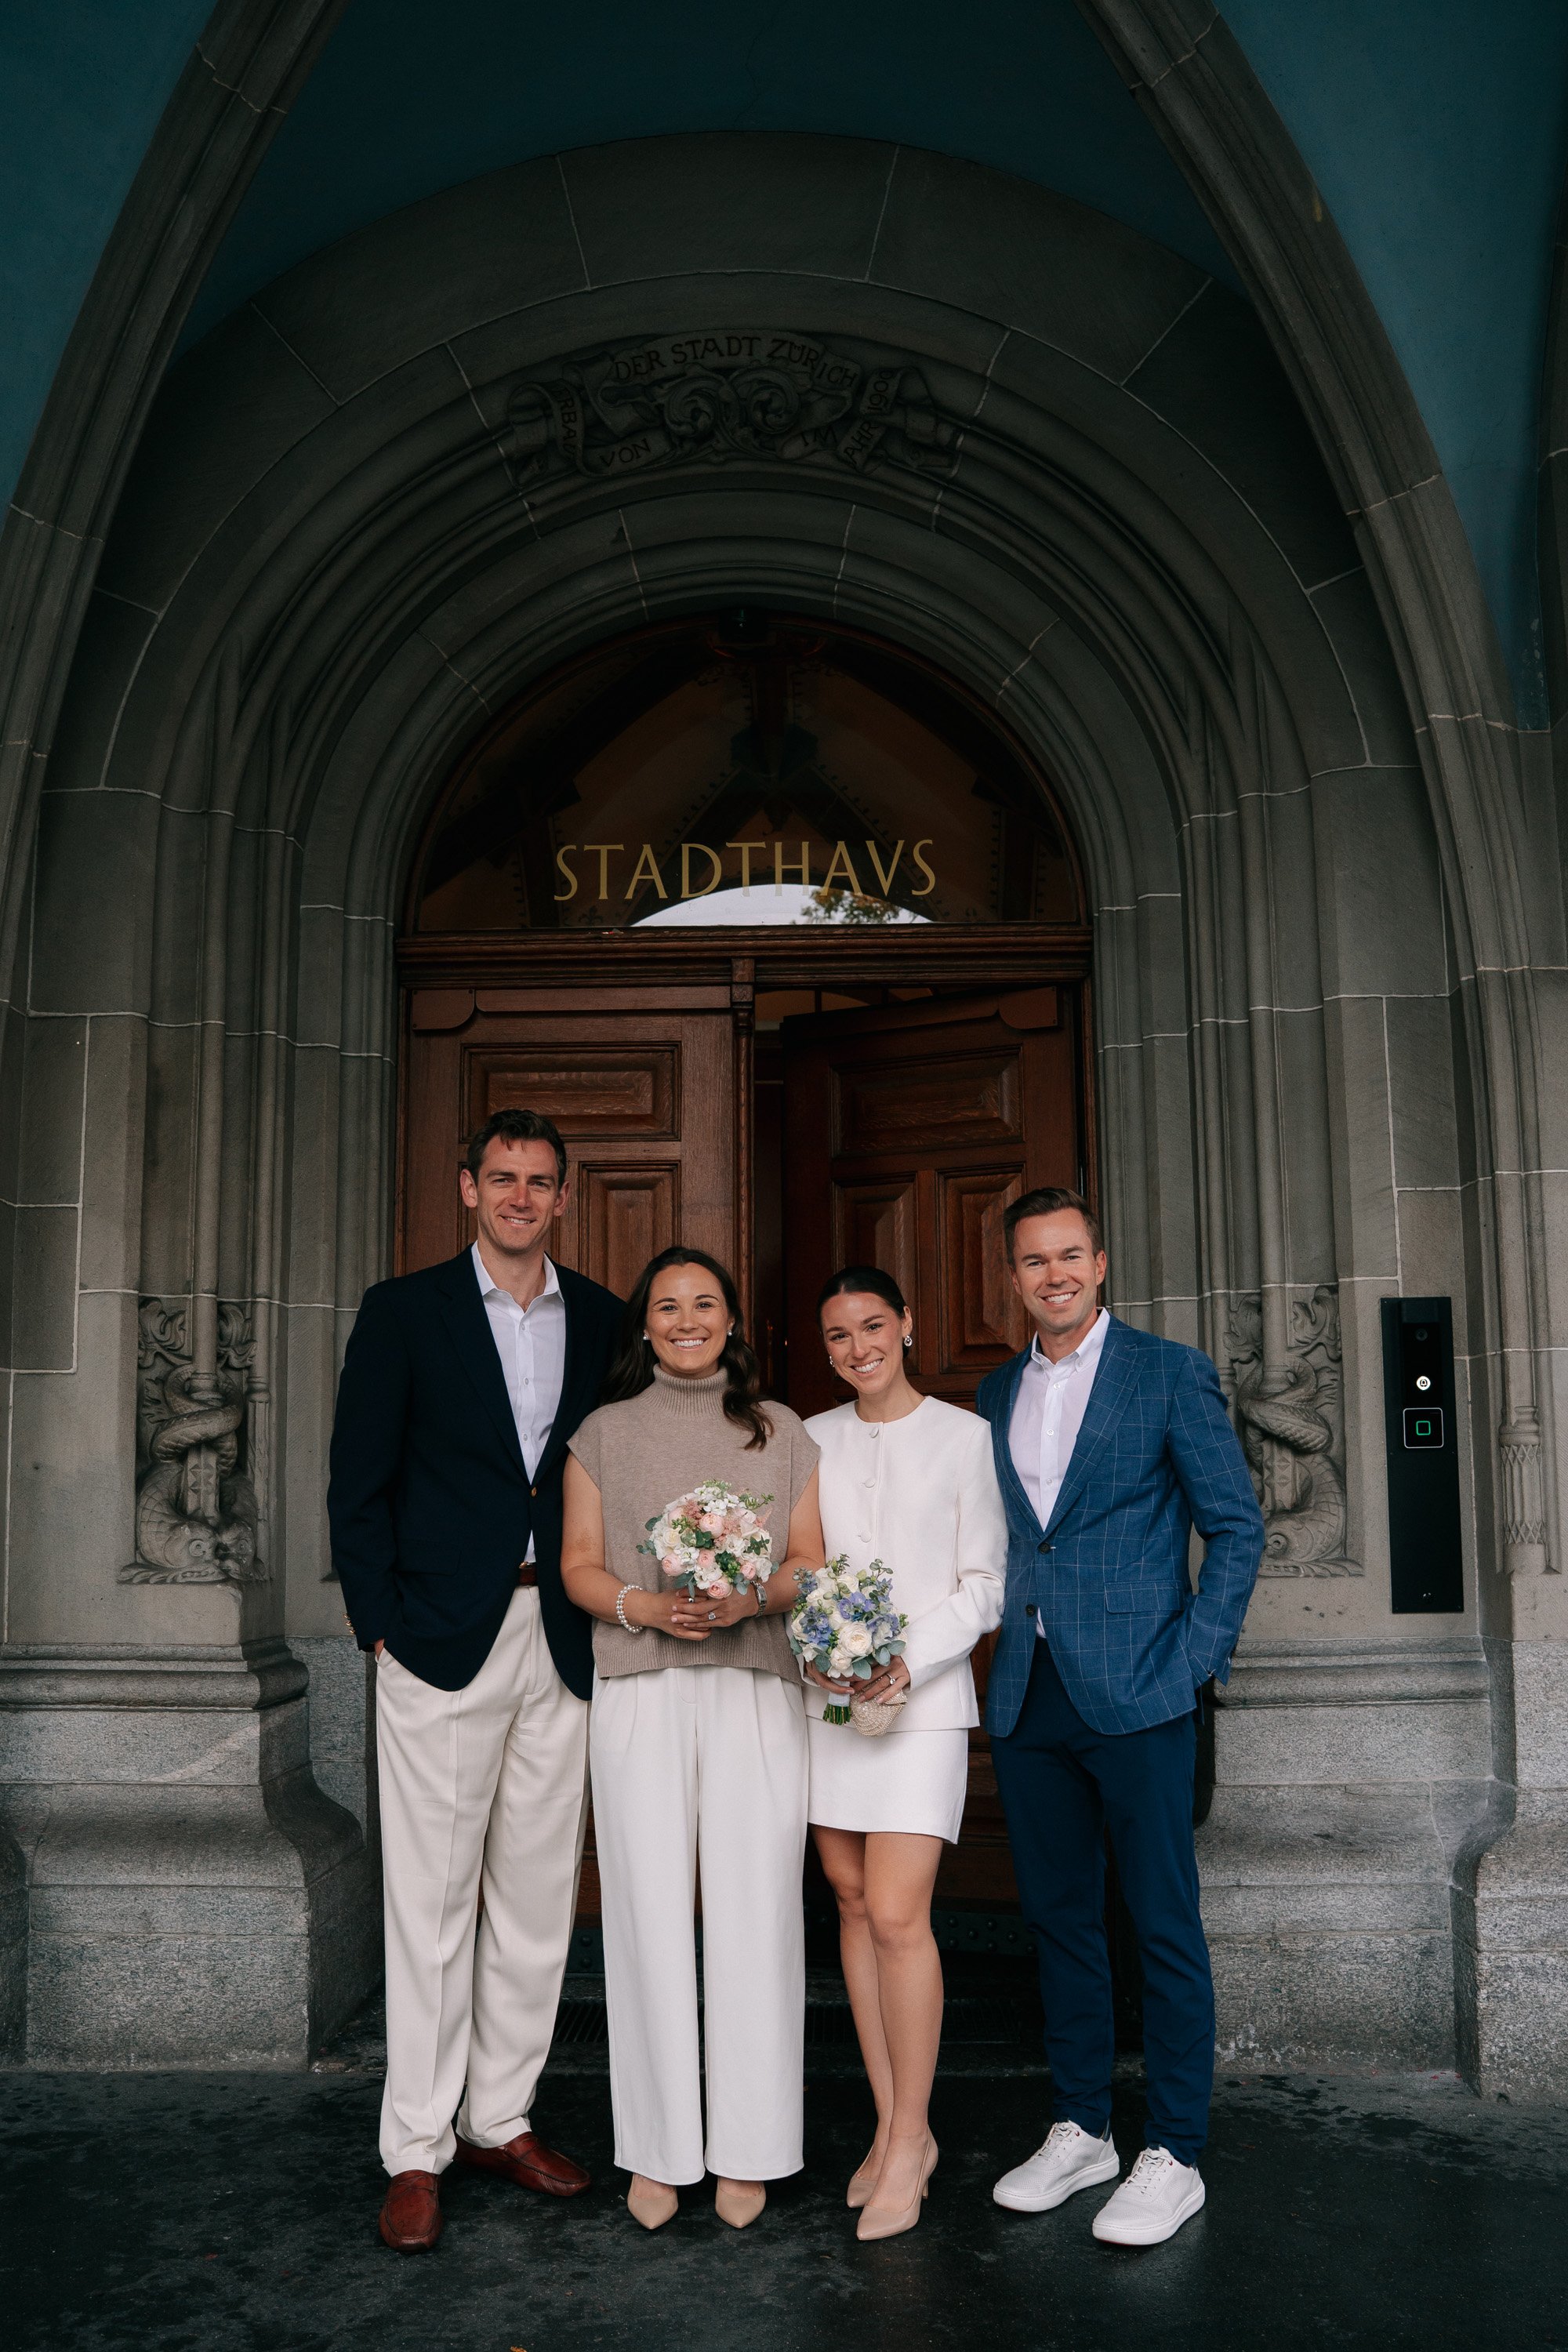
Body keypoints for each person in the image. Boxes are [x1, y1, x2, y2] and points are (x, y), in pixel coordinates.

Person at [328, 1107, 622, 2253]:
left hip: (564, 1633)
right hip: (438, 1640)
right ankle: (416, 2146)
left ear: (563, 1196)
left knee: (538, 1900)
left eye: (539, 1181)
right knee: (433, 1904)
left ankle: (499, 2117)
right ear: (468, 1188)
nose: (519, 1197)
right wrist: (378, 1629)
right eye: (501, 1178)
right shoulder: (403, 1311)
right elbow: (358, 1480)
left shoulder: (601, 1316)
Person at [978, 1187, 1263, 2248]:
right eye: (1032, 1260)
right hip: (1028, 1690)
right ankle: (1083, 2128)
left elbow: (1235, 1526)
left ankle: (1174, 2151)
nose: (1051, 1275)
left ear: (1099, 1265)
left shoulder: (1167, 1372)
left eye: (1069, 1256)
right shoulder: (994, 1389)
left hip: (1142, 1688)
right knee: (1059, 1921)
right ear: (1014, 1277)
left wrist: (1189, 1663)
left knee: (1159, 1921)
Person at [560, 1247, 824, 2234]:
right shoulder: (602, 1432)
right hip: (640, 1686)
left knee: (758, 1910)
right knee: (646, 1914)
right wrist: (646, 1608)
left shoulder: (780, 1430)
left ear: (730, 1321)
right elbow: (577, 1566)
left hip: (754, 1684)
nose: (685, 1320)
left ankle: (752, 2145)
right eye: (667, 1306)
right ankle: (658, 2148)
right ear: (644, 1324)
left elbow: (810, 1561)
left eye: (703, 1303)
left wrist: (748, 1599)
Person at [804, 1265, 1006, 2241]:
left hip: (920, 1707)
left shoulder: (966, 1439)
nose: (858, 1348)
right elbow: (799, 1568)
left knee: (895, 1912)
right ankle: (892, 2132)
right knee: (849, 1901)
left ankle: (915, 2131)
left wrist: (903, 1661)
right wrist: (821, 1656)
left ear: (908, 1325)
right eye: (838, 1335)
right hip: (827, 1706)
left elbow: (984, 1585)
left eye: (872, 1326)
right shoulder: (808, 1438)